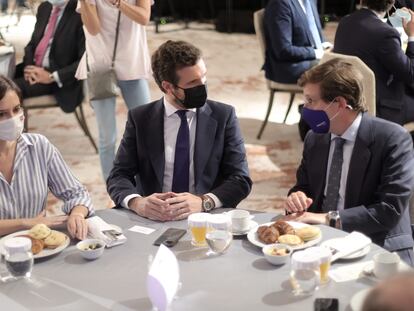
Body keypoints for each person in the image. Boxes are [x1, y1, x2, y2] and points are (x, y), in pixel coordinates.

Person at [283, 59, 414, 265]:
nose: (305, 108)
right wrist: (296, 197)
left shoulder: (392, 138)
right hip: (323, 241)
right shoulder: (315, 138)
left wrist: (329, 219)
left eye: (311, 100)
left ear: (341, 103)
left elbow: (390, 210)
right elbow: (304, 186)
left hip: (379, 245)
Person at [107, 40, 252, 222]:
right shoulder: (141, 118)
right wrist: (138, 203)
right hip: (154, 219)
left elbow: (240, 179)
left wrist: (204, 202)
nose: (203, 85)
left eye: (204, 77)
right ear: (168, 87)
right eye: (193, 82)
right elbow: (118, 175)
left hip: (205, 218)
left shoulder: (223, 116)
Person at [0, 76, 93, 240]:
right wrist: (25, 223)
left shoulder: (38, 147)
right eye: (2, 114)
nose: (13, 119)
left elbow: (77, 194)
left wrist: (77, 214)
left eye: (16, 109)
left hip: (37, 249)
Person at [77, 0, 152, 182]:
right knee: (107, 138)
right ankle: (114, 188)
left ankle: (148, 182)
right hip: (100, 65)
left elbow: (144, 18)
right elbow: (93, 29)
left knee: (148, 129)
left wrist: (119, 3)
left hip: (132, 63)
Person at [333, 0, 414, 125]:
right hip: (381, 108)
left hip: (349, 101)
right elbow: (410, 74)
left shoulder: (345, 22)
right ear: (391, 3)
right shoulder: (386, 34)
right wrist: (412, 37)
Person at [14, 0, 85, 114]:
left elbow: (85, 61)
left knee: (6, 90)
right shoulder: (45, 7)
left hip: (58, 79)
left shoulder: (81, 12)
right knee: (4, 78)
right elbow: (32, 44)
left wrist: (52, 76)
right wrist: (29, 69)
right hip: (35, 69)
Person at [262, 0, 331, 84]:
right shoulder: (280, 4)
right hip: (290, 66)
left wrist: (324, 46)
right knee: (334, 70)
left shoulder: (310, 1)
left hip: (310, 58)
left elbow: (314, 30)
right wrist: (316, 53)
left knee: (343, 62)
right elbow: (284, 51)